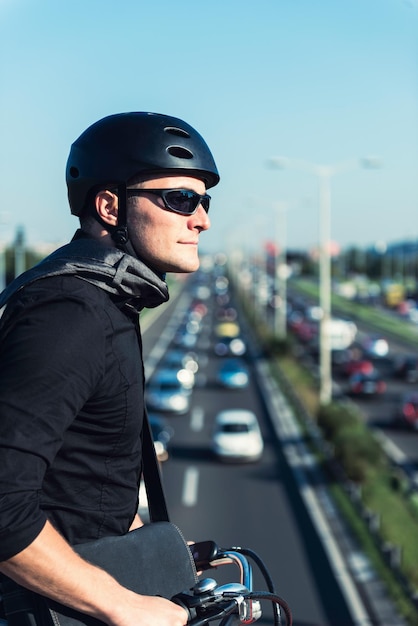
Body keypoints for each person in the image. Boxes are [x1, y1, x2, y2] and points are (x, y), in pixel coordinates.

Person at [0, 112, 220, 626]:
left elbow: (78, 480)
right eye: (181, 199)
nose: (202, 219)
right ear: (109, 206)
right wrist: (124, 606)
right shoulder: (72, 314)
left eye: (204, 201)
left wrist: (147, 544)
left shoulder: (106, 304)